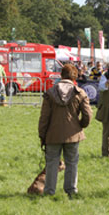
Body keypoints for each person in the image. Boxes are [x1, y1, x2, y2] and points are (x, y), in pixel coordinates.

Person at [38, 64, 92, 197]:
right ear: (74, 76)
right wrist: (80, 125)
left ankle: (49, 191)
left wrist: (42, 135)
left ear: (61, 75)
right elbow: (88, 115)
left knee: (51, 163)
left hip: (52, 134)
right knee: (72, 162)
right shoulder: (80, 93)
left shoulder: (50, 93)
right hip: (73, 134)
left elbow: (44, 118)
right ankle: (71, 191)